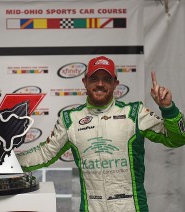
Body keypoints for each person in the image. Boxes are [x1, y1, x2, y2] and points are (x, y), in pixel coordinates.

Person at [16, 56, 185, 212]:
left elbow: (177, 139)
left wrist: (168, 109)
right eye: (94, 79)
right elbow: (45, 154)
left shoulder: (134, 113)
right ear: (85, 82)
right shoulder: (70, 119)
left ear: (115, 83)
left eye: (107, 79)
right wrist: (6, 162)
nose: (100, 84)